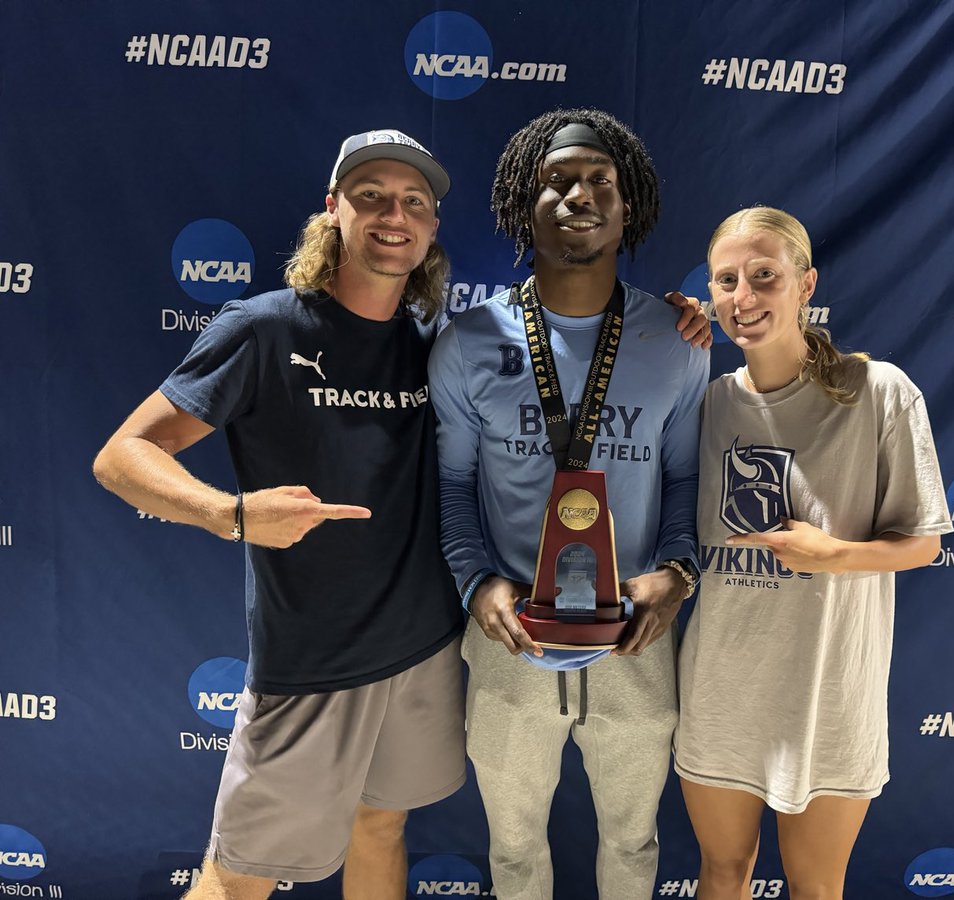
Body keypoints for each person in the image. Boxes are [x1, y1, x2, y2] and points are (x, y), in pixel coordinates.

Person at [92, 130, 467, 900]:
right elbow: (122, 456)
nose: (394, 215)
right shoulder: (264, 328)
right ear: (332, 212)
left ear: (430, 228)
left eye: (415, 203)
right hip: (313, 662)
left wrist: (682, 320)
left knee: (383, 826)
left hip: (428, 647)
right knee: (240, 876)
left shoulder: (440, 345)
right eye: (371, 197)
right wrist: (228, 512)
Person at [428, 108, 710, 900]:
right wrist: (478, 583)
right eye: (556, 182)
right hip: (509, 638)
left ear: (630, 210)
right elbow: (452, 490)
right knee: (513, 853)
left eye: (599, 182)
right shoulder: (469, 342)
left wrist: (679, 571)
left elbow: (685, 478)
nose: (578, 195)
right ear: (526, 204)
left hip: (635, 639)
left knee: (633, 842)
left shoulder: (676, 340)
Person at [674, 207, 953, 900]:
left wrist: (833, 555)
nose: (743, 298)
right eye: (727, 280)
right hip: (720, 691)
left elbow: (922, 544)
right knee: (721, 872)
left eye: (764, 277)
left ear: (805, 284)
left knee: (816, 886)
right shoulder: (704, 404)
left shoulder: (878, 392)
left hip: (829, 697)